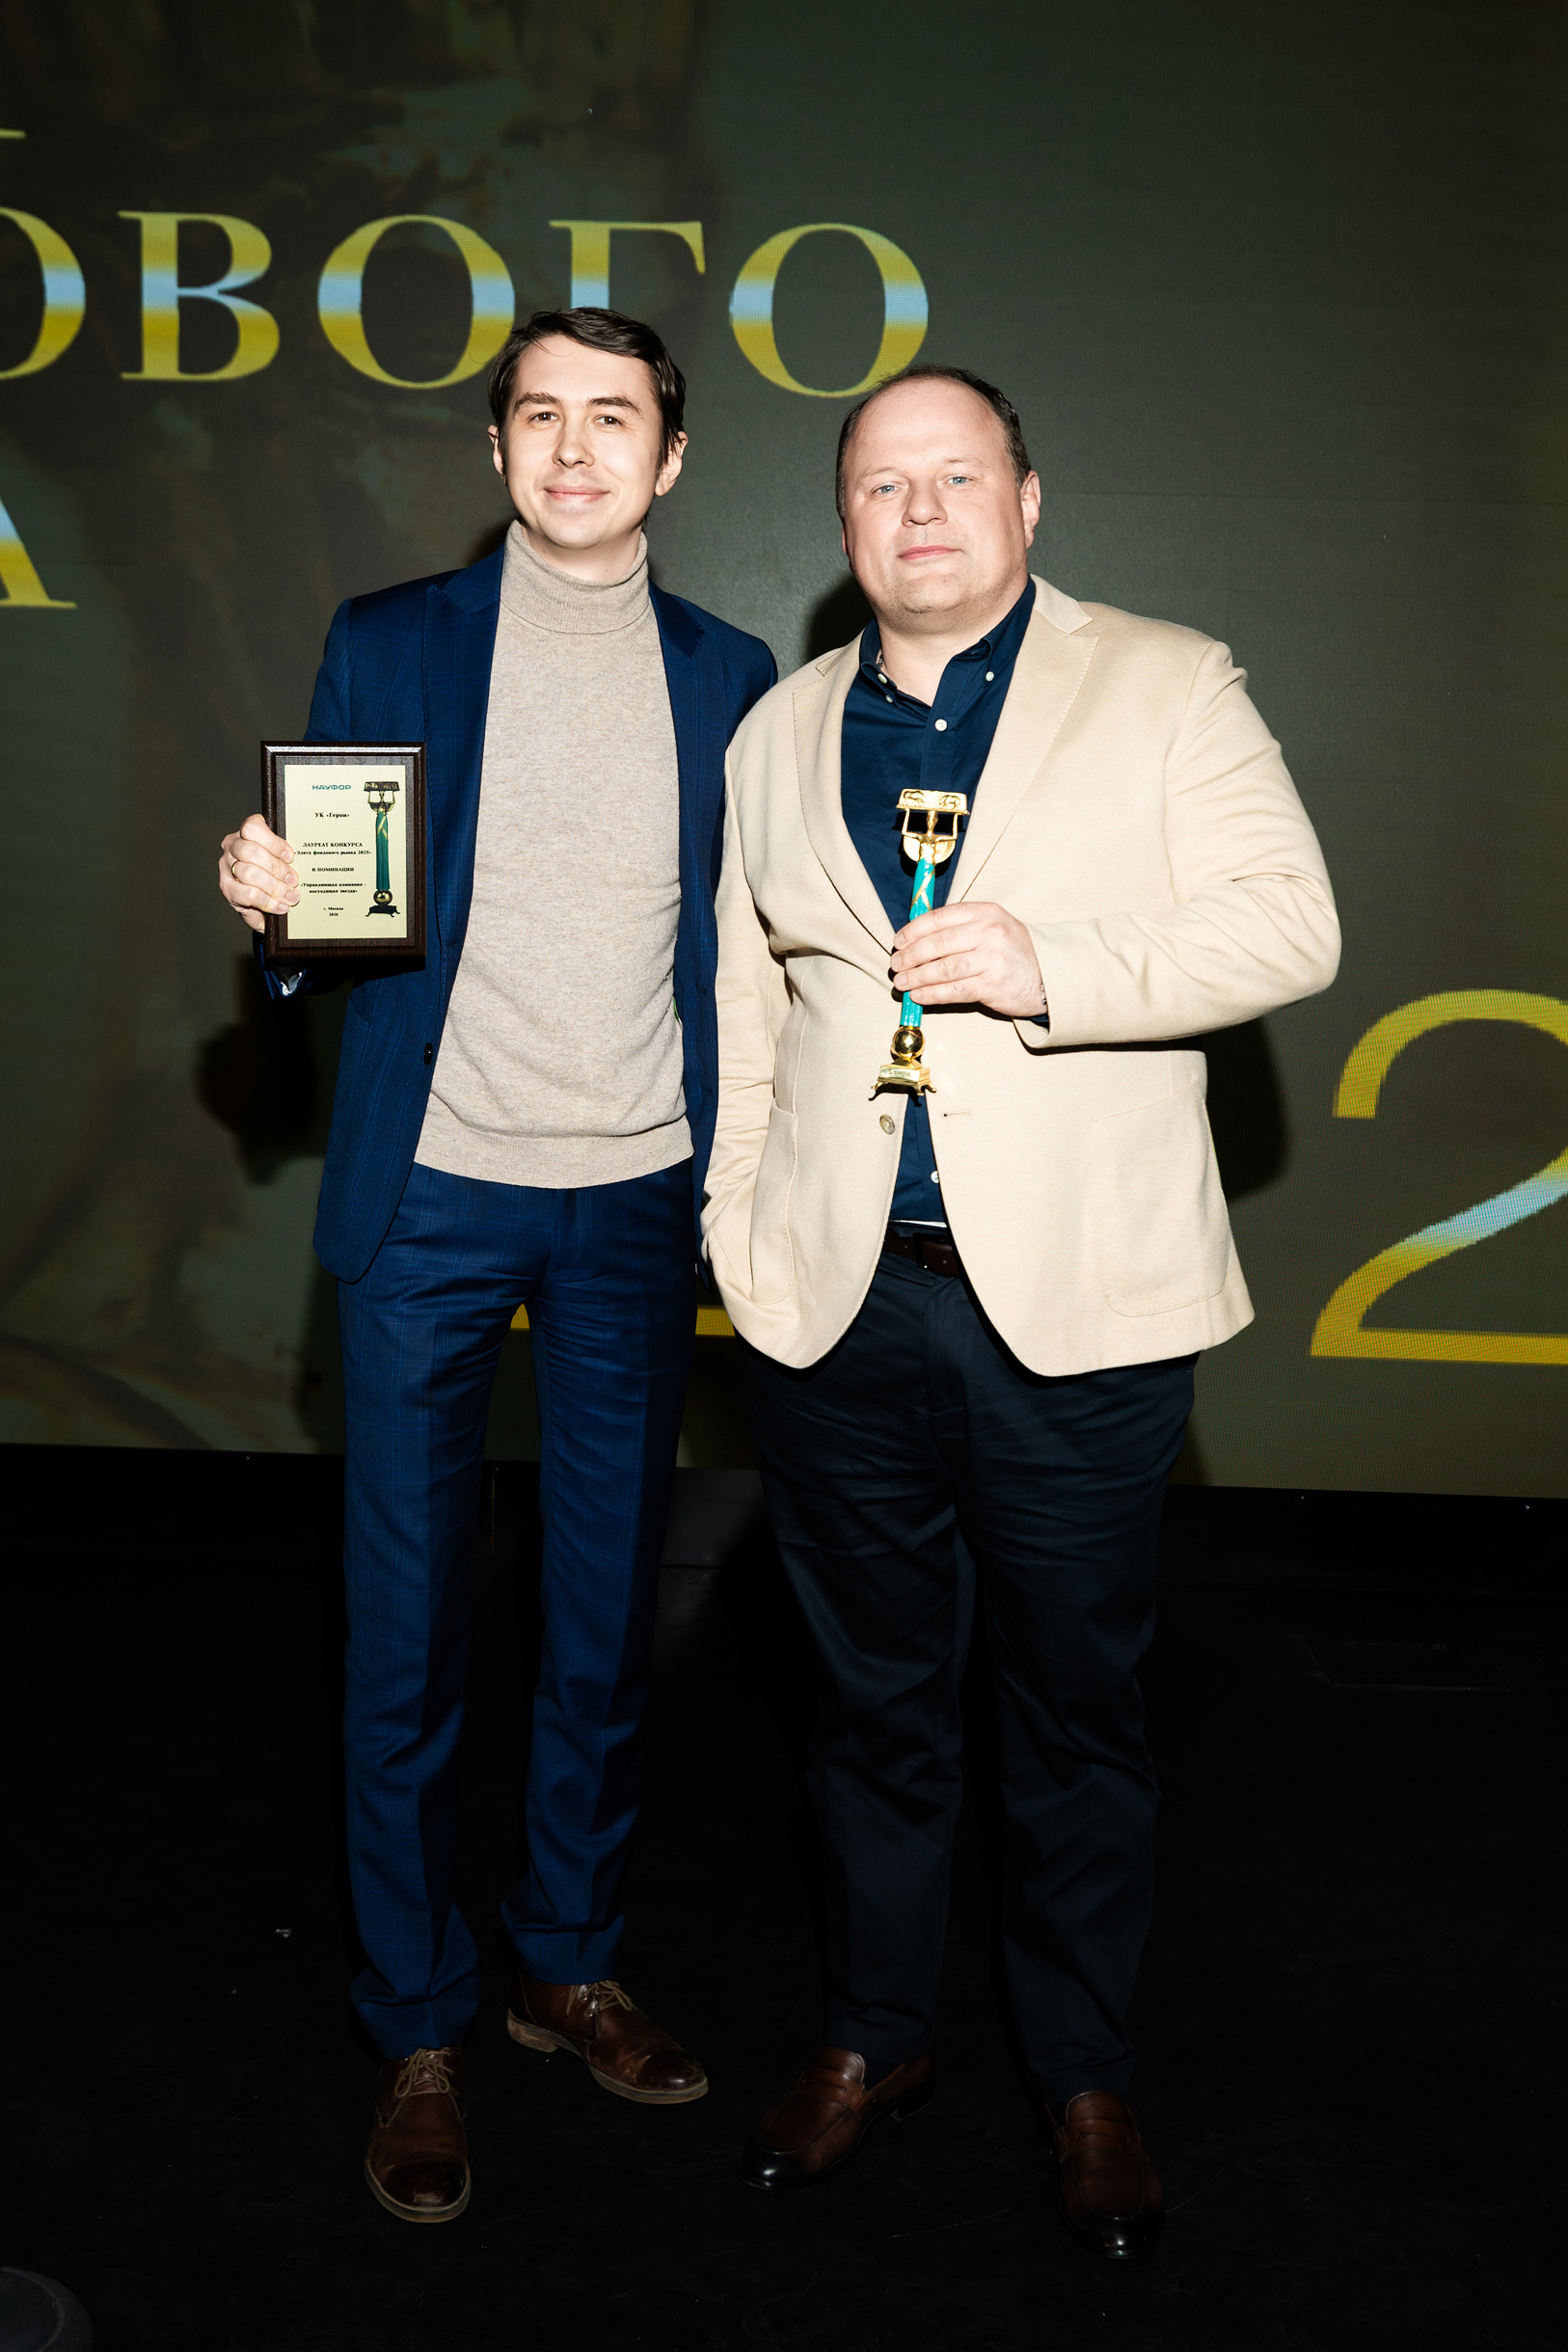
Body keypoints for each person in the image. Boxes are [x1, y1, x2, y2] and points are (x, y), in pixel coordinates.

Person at [703, 364, 1338, 2259]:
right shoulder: (777, 730)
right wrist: (741, 1236)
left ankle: (1081, 2073)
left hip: (1077, 1313)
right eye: (879, 484)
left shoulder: (1167, 680)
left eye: (955, 475)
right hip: (838, 1315)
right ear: (841, 524)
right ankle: (875, 2033)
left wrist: (1054, 962)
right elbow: (749, 1002)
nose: (918, 511)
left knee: (1073, 1713)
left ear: (1029, 499)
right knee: (869, 1709)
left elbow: (1288, 924)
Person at [217, 308, 775, 2223]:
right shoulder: (389, 636)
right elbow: (336, 910)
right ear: (495, 448)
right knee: (405, 1630)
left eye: (612, 418)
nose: (572, 447)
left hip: (631, 1199)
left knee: (603, 1619)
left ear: (670, 459)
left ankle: (567, 1958)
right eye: (539, 414)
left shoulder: (733, 675)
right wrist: (277, 913)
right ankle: (418, 2020)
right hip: (430, 1193)